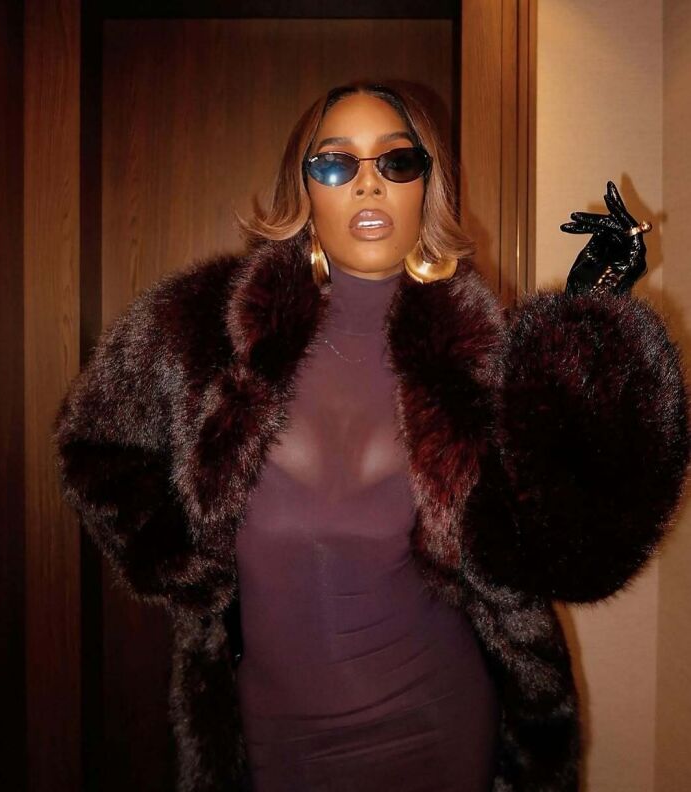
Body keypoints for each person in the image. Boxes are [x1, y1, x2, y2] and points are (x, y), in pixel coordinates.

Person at [52, 81, 690, 792]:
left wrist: (591, 325)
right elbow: (92, 447)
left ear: (426, 187)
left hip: (439, 729)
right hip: (271, 741)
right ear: (303, 190)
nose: (368, 182)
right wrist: (191, 570)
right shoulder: (206, 327)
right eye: (335, 163)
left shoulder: (481, 358)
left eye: (396, 161)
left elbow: (575, 545)